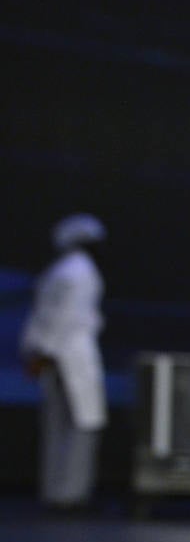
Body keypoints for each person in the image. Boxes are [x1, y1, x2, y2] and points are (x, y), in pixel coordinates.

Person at [20, 214, 107, 512]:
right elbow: (61, 317)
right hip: (70, 356)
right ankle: (69, 495)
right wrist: (43, 351)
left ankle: (58, 492)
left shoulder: (61, 271)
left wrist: (37, 351)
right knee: (77, 427)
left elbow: (44, 316)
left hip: (57, 355)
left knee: (60, 425)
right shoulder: (78, 273)